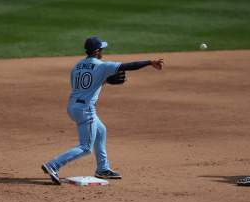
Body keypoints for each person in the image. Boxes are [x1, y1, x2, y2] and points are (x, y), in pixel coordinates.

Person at [42, 36, 164, 185]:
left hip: (72, 107)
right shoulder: (102, 66)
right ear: (97, 51)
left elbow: (83, 87)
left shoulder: (77, 66)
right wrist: (150, 62)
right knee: (86, 147)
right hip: (86, 110)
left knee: (101, 131)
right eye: (102, 49)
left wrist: (104, 81)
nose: (103, 52)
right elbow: (128, 66)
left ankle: (102, 168)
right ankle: (54, 165)